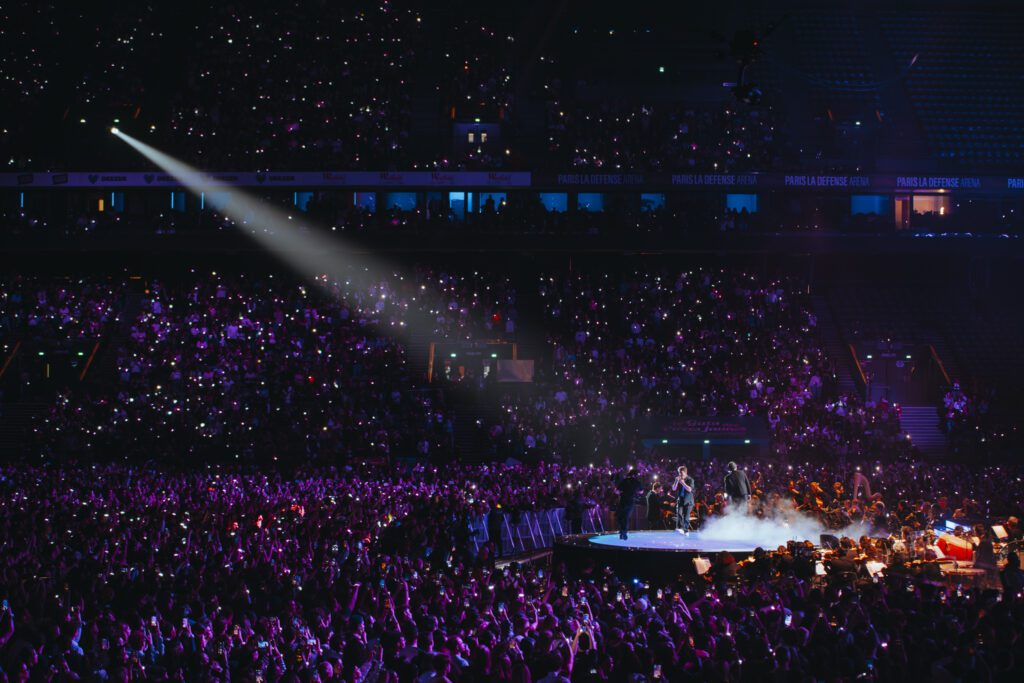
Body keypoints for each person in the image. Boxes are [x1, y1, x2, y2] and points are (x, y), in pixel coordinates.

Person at [615, 469, 643, 540]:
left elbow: (616, 491)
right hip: (630, 501)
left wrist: (622, 493)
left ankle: (622, 532)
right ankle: (624, 532)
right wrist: (635, 492)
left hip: (623, 500)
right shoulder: (636, 481)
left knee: (622, 517)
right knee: (626, 517)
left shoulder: (624, 481)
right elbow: (641, 491)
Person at [673, 465, 695, 534]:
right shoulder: (678, 479)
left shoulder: (690, 480)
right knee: (679, 513)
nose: (680, 474)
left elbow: (689, 489)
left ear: (685, 472)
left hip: (688, 501)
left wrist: (682, 482)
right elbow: (673, 488)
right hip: (681, 499)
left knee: (686, 516)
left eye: (681, 473)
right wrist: (676, 481)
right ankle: (680, 528)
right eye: (679, 473)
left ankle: (685, 530)